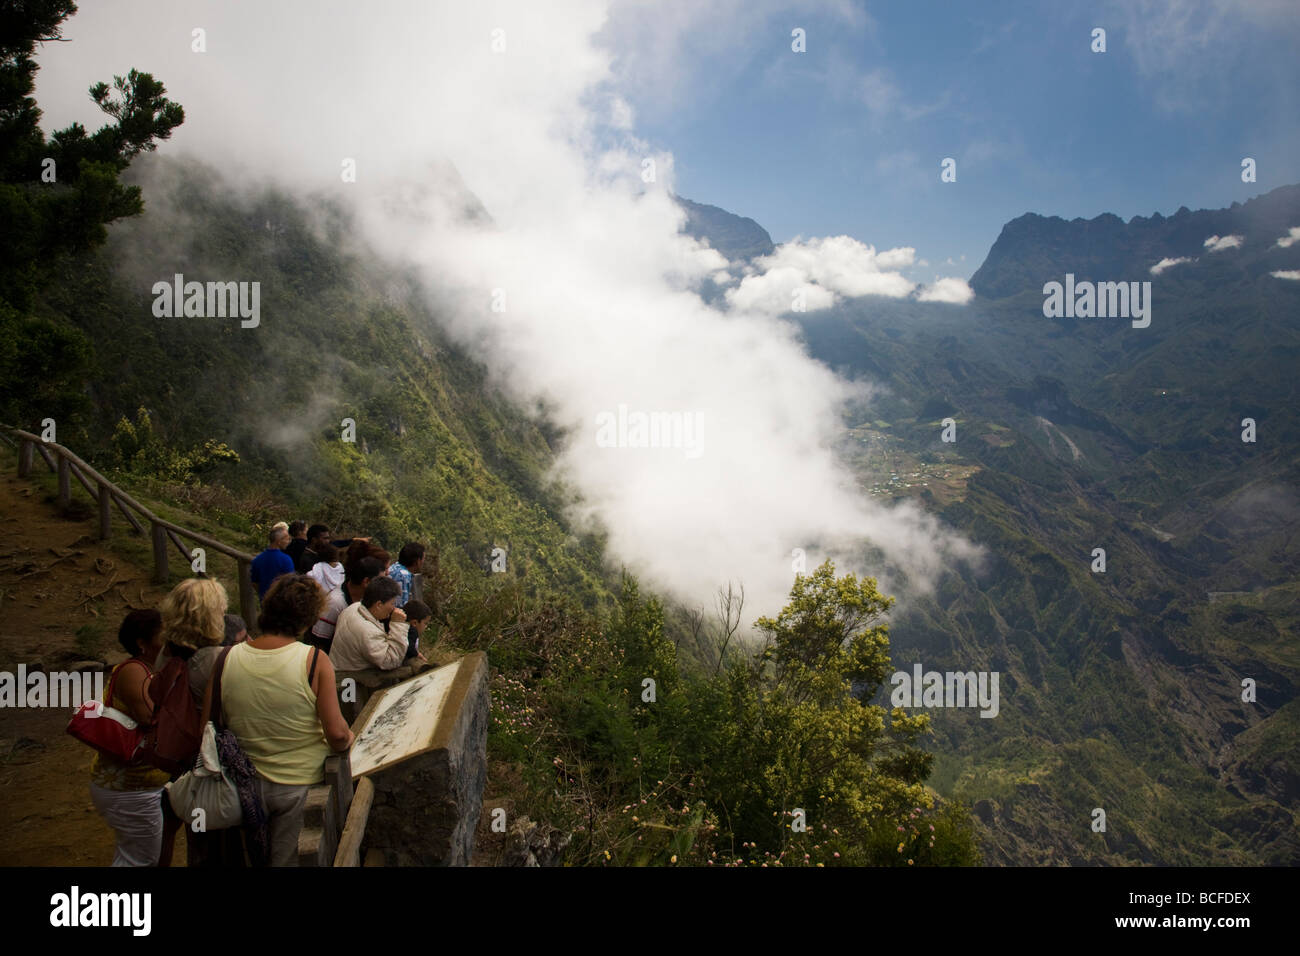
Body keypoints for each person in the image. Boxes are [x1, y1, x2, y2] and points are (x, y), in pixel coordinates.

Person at [202, 575, 354, 867]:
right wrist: (349, 738)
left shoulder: (224, 659)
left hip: (240, 786)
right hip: (297, 786)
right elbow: (336, 734)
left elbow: (207, 727)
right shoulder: (313, 660)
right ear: (308, 619)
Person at [151, 577, 231, 867]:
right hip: (212, 761)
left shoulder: (167, 654)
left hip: (183, 758)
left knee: (198, 834)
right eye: (220, 610)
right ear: (209, 616)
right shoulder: (216, 659)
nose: (224, 614)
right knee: (219, 840)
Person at [88, 609, 170, 866]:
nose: (169, 642)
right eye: (163, 637)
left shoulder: (148, 669)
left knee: (139, 855)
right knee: (138, 860)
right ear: (142, 643)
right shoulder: (134, 670)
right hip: (129, 788)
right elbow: (151, 718)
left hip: (136, 785)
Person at [330, 577, 409, 671]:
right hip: (352, 678)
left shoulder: (353, 607)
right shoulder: (369, 632)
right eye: (392, 603)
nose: (394, 608)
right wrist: (398, 624)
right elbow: (391, 661)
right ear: (379, 605)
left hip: (338, 665)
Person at [308, 556, 383, 653]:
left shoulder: (366, 597)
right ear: (366, 581)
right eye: (380, 581)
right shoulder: (335, 602)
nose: (383, 585)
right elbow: (319, 640)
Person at [250, 527, 295, 599]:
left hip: (264, 600)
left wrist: (264, 595)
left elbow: (254, 582)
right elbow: (291, 584)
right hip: (281, 601)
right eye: (287, 539)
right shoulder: (286, 560)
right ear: (279, 541)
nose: (288, 542)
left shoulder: (258, 559)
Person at [386, 543, 424, 609]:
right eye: (423, 559)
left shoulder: (394, 567)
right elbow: (400, 606)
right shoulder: (403, 576)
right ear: (418, 561)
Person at [402, 599, 431, 664]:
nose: (426, 627)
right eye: (425, 623)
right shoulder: (412, 631)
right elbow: (408, 647)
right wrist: (417, 654)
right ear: (414, 623)